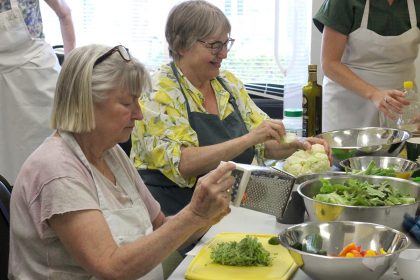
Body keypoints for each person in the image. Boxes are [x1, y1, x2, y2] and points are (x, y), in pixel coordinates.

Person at [8, 44, 236, 279]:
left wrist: (208, 212)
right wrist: (194, 215)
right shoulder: (56, 170)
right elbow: (111, 268)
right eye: (127, 104)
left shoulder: (111, 153)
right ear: (85, 102)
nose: (139, 114)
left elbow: (160, 227)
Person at [131, 0, 332, 216]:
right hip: (174, 214)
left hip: (227, 205)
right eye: (214, 46)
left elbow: (264, 142)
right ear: (181, 46)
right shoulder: (158, 91)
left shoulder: (226, 84)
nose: (224, 54)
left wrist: (300, 145)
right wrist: (248, 139)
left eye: (226, 44)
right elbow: (182, 162)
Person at [313, 0, 420, 132]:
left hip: (401, 107)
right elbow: (330, 63)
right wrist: (374, 94)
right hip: (348, 106)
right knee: (347, 152)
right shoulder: (342, 3)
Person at [0, 0, 75, 184]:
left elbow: (64, 13)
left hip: (40, 78)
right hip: (4, 86)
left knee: (58, 157)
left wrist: (71, 71)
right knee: (9, 168)